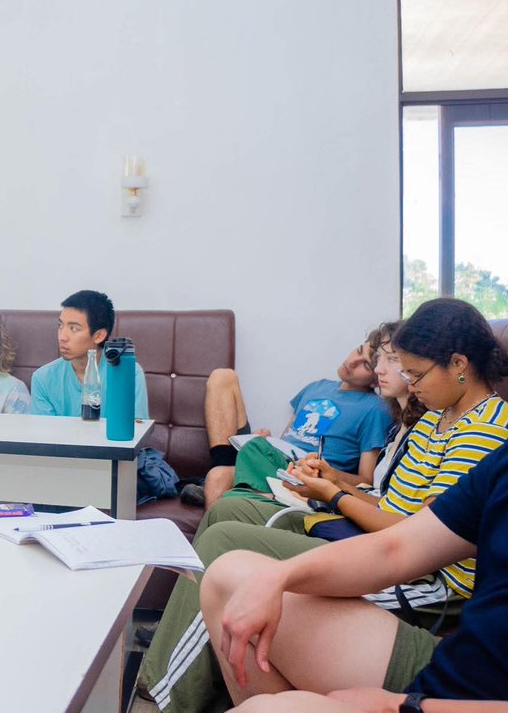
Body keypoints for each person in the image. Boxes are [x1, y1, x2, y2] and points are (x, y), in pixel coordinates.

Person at [138, 300, 508, 713]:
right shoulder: (434, 421)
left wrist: (334, 496)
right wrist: (332, 483)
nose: (411, 384)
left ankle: (164, 691)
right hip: (387, 543)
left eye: (416, 374)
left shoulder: (485, 431)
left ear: (459, 364)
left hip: (430, 585)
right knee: (228, 516)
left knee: (224, 543)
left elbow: (411, 537)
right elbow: (396, 514)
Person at [201, 437, 508, 712]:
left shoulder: (480, 432)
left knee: (270, 709)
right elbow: (396, 547)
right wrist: (280, 576)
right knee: (229, 574)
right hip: (454, 665)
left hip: (459, 700)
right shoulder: (501, 463)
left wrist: (402, 704)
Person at [199, 332, 391, 507]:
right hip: (279, 462)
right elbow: (289, 437)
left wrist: (324, 473)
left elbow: (366, 481)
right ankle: (226, 467)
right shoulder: (316, 387)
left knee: (217, 477)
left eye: (365, 365)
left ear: (377, 379)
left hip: (302, 475)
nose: (352, 362)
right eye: (358, 351)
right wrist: (267, 441)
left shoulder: (374, 408)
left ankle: (217, 489)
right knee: (222, 377)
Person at [29, 290, 148, 418]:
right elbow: (43, 436)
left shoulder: (129, 374)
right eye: (60, 326)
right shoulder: (42, 379)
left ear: (98, 336)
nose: (62, 337)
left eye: (73, 328)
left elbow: (136, 431)